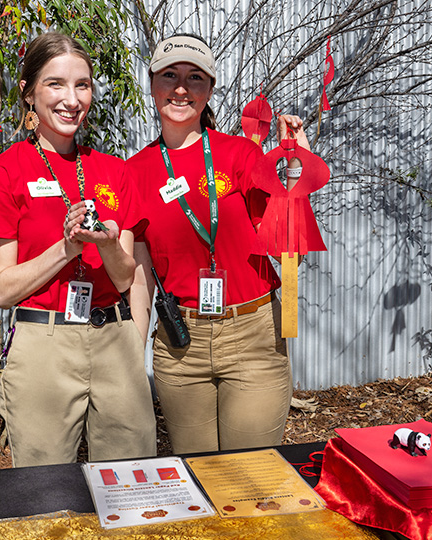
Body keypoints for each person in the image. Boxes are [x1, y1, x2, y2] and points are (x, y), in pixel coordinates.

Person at [0, 32, 156, 467]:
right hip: (43, 345)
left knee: (132, 485)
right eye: (55, 84)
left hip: (114, 338)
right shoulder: (3, 174)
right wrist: (67, 248)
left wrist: (109, 245)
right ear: (28, 92)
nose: (71, 99)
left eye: (82, 85)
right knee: (44, 493)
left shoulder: (114, 171)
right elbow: (0, 289)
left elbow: (126, 277)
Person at [128, 34, 312, 454]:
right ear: (153, 84)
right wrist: (129, 361)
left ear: (209, 89)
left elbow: (289, 245)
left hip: (252, 335)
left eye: (195, 78)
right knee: (200, 478)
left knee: (251, 477)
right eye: (169, 76)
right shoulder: (134, 172)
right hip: (180, 347)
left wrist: (297, 174)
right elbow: (141, 280)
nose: (180, 88)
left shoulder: (242, 156)